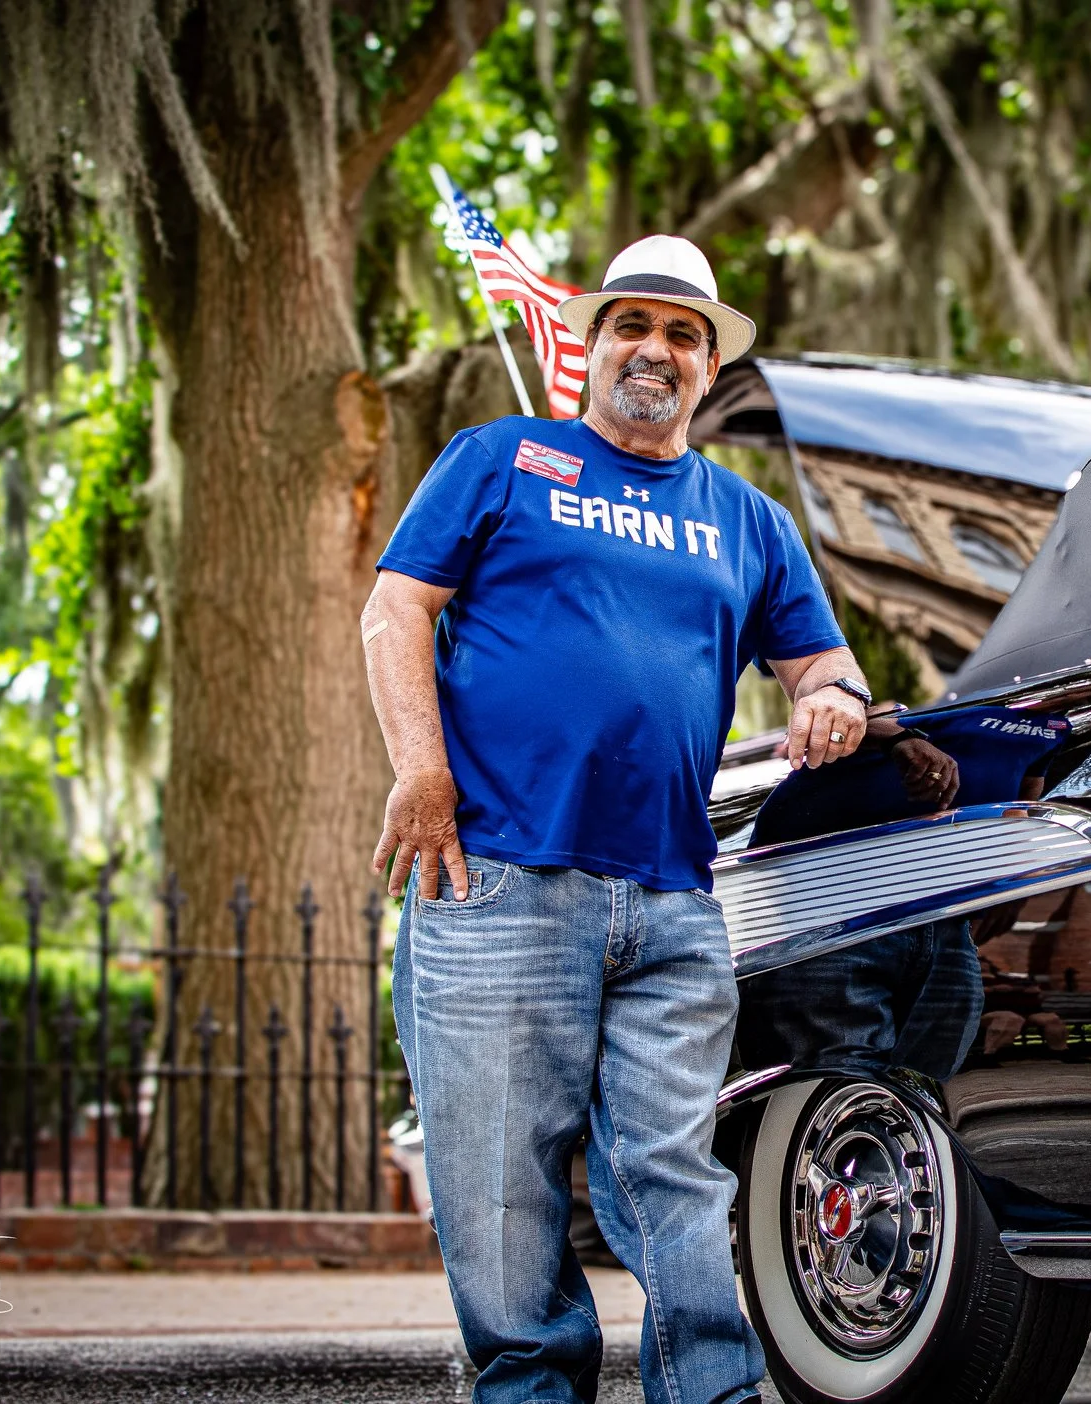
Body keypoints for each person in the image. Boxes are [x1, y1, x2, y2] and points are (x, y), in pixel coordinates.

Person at [362, 234, 872, 1404]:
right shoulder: (500, 460)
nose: (656, 348)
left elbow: (825, 669)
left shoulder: (748, 522)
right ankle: (533, 1390)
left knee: (678, 1178)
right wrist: (420, 774)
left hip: (674, 900)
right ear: (588, 346)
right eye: (632, 325)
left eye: (683, 334)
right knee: (498, 1187)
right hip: (496, 878)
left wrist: (835, 703)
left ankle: (712, 1392)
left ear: (706, 369)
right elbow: (394, 612)